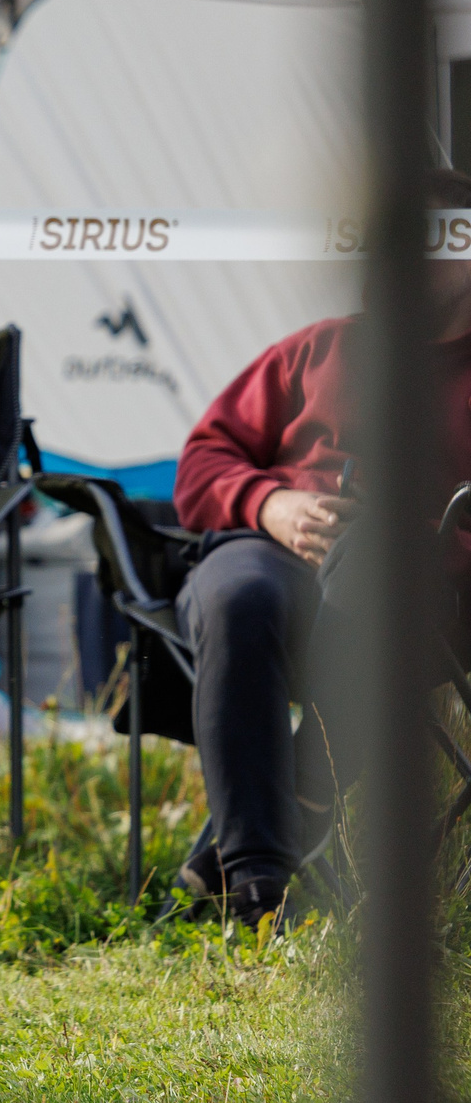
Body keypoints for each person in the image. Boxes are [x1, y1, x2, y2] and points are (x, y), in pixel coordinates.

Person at [168, 168, 471, 923]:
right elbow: (202, 462)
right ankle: (258, 881)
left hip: (426, 600)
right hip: (275, 557)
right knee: (234, 590)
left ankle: (284, 820)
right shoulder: (320, 349)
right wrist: (269, 503)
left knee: (376, 559)